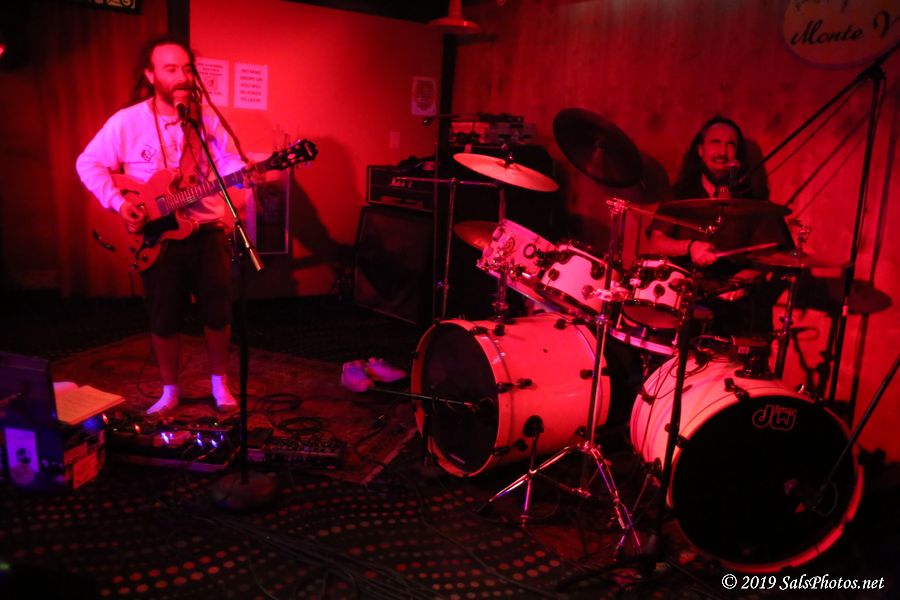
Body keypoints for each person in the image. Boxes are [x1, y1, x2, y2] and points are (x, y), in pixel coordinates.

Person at [76, 35, 256, 415]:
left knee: (217, 311)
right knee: (164, 316)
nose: (181, 76)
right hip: (155, 235)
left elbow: (227, 161)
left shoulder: (205, 117)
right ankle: (170, 390)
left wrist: (243, 173)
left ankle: (220, 384)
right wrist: (120, 203)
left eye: (186, 68)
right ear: (150, 75)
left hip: (207, 227)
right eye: (170, 69)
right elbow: (88, 163)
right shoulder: (128, 121)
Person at [646, 115, 794, 338]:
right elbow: (657, 241)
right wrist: (690, 246)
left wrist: (737, 282)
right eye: (715, 142)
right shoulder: (678, 196)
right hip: (682, 299)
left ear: (738, 156)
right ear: (700, 150)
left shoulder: (753, 203)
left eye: (730, 144)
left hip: (735, 307)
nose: (723, 152)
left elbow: (771, 258)